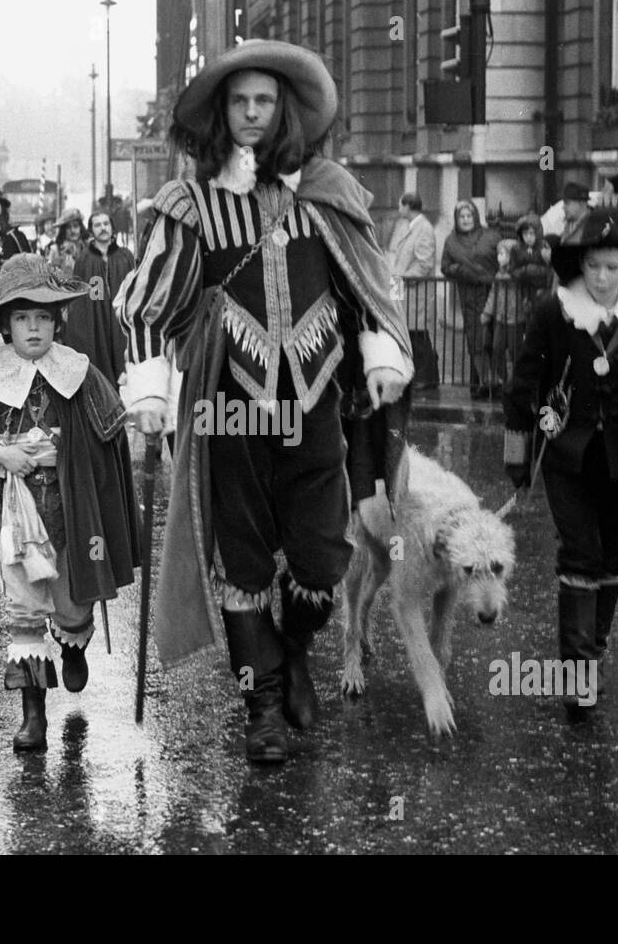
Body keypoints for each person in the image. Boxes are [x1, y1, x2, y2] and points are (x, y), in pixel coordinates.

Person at [115, 39, 413, 764]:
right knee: (242, 564)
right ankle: (261, 708)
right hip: (230, 406)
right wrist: (151, 385)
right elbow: (150, 302)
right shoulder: (188, 206)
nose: (252, 115)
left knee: (322, 558)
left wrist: (380, 351)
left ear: (286, 111)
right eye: (240, 102)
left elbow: (367, 285)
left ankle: (295, 652)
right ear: (223, 112)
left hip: (315, 401)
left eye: (265, 102)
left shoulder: (327, 193)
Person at [0, 255, 139, 752]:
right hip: (16, 517)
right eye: (21, 318)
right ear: (7, 327)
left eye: (42, 317)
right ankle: (33, 715)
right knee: (24, 610)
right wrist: (2, 453)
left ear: (57, 322)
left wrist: (79, 447)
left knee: (71, 601)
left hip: (73, 512)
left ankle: (74, 640)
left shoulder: (79, 372)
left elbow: (112, 430)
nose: (32, 328)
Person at [504, 207, 618, 711]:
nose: (603, 277)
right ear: (580, 266)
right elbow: (524, 383)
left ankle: (596, 646)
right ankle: (578, 670)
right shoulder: (554, 311)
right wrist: (517, 456)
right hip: (565, 455)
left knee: (613, 556)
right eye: (593, 267)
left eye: (613, 267)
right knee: (580, 553)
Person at [440, 199, 502, 398]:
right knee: (475, 340)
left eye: (469, 216)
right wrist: (461, 270)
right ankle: (481, 384)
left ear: (475, 216)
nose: (466, 220)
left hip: (491, 293)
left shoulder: (490, 236)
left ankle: (497, 383)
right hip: (468, 296)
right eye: (462, 217)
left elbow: (503, 260)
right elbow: (445, 267)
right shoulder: (451, 241)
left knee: (494, 338)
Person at [66, 209, 136, 384]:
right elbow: (79, 299)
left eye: (106, 223)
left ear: (112, 227)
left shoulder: (125, 256)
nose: (103, 228)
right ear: (91, 230)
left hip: (121, 323)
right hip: (96, 322)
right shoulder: (84, 260)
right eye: (97, 225)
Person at [387, 191, 436, 277]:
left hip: (412, 288)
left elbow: (424, 265)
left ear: (407, 207)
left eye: (400, 206)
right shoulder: (406, 226)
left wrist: (401, 279)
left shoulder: (425, 229)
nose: (399, 210)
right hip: (400, 286)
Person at [47, 208, 85, 274]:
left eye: (75, 226)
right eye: (68, 227)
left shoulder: (87, 247)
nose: (72, 230)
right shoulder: (55, 250)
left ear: (80, 228)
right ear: (63, 230)